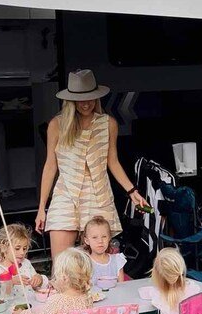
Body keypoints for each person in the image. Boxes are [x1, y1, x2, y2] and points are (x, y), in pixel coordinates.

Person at [35, 69, 148, 258]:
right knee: (62, 265)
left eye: (90, 98)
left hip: (99, 195)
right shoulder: (57, 124)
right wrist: (41, 208)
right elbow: (50, 166)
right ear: (71, 100)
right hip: (66, 194)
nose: (86, 103)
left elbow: (112, 161)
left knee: (99, 263)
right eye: (80, 99)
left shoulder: (108, 123)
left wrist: (132, 191)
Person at [0, 223, 48, 290]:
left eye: (24, 248)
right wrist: (11, 282)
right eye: (17, 248)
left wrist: (39, 280)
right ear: (3, 248)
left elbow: (38, 287)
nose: (22, 252)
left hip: (31, 300)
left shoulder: (26, 263)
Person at [82, 215, 127, 288]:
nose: (100, 241)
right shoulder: (84, 262)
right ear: (87, 240)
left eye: (104, 237)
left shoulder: (117, 260)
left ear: (109, 238)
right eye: (94, 237)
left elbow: (121, 286)